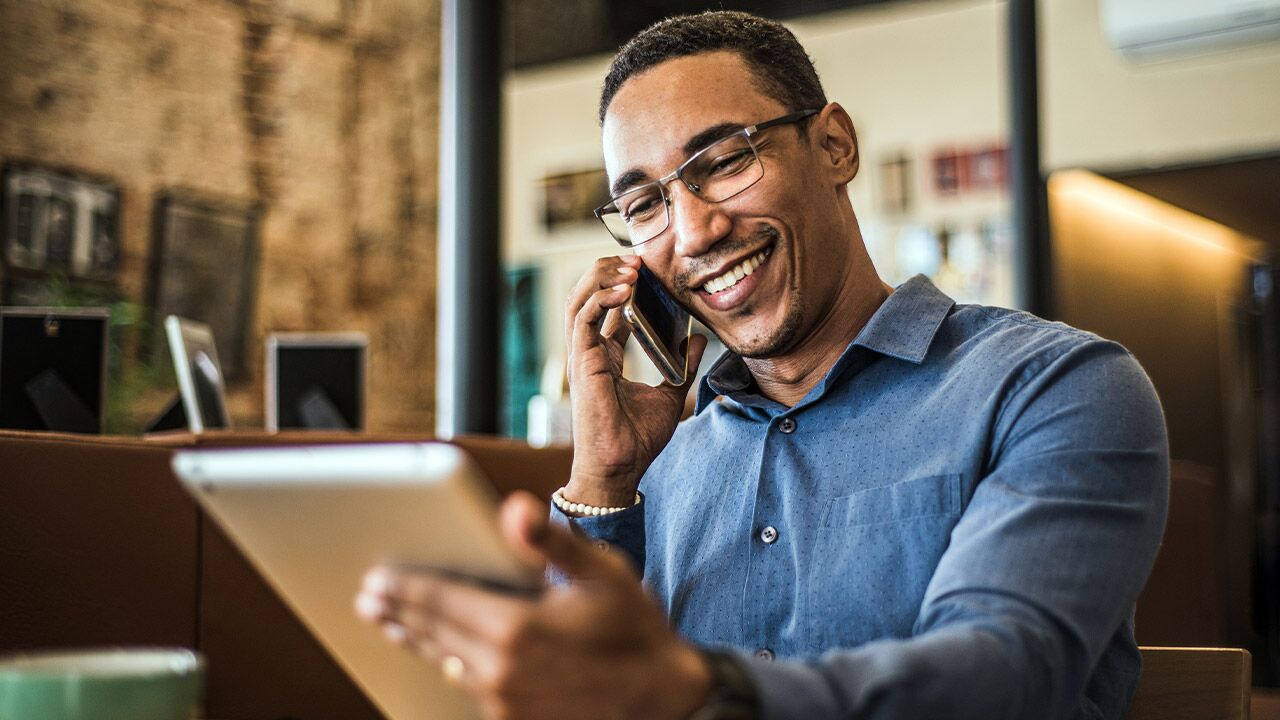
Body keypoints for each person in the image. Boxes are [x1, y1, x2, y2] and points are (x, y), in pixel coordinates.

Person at [355, 11, 1169, 720]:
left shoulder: (1055, 388)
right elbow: (576, 694)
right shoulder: (660, 460)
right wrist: (603, 480)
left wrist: (694, 693)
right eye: (645, 205)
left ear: (835, 146)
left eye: (723, 162)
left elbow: (1005, 678)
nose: (695, 232)